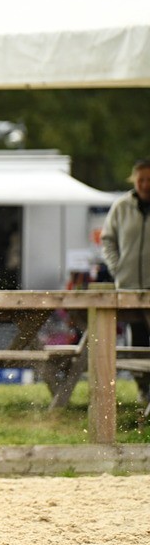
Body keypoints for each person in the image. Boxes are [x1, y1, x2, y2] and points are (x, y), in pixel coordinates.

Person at [101, 159, 150, 401]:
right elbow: (107, 239)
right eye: (141, 179)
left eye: (149, 179)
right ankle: (144, 390)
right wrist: (116, 267)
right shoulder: (121, 207)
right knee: (136, 343)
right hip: (129, 286)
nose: (145, 184)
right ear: (134, 180)